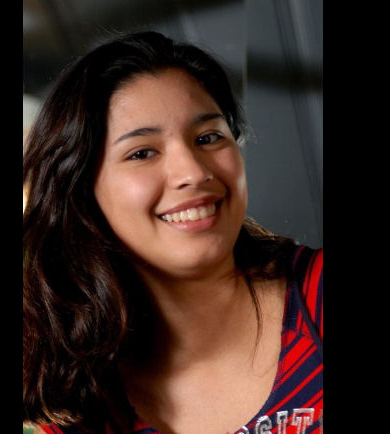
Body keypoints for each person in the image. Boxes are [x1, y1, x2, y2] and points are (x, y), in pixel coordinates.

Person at [23, 31, 322, 434]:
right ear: (81, 192)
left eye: (208, 138)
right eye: (142, 153)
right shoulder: (73, 398)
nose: (193, 172)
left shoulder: (316, 297)